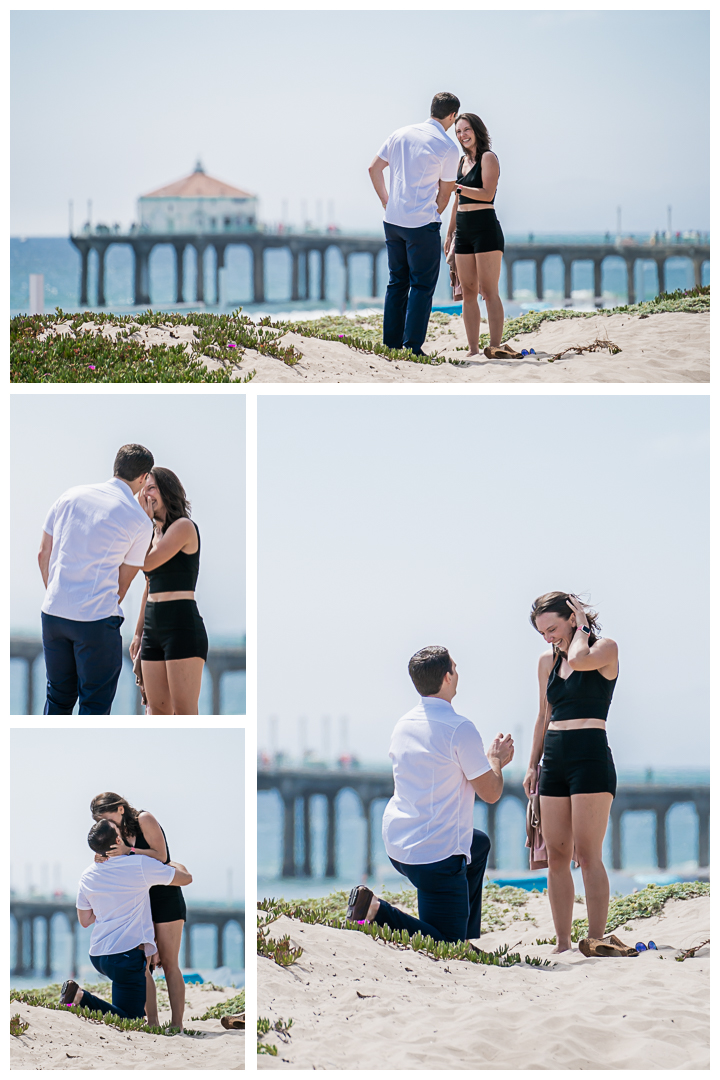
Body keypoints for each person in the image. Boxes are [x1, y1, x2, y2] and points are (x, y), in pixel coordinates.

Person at [346, 646, 514, 943]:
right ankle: (375, 911)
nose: (458, 672)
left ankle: (468, 935)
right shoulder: (459, 728)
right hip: (435, 855)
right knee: (446, 944)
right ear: (448, 677)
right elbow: (491, 793)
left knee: (479, 844)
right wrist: (496, 759)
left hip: (399, 842)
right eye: (456, 667)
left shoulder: (403, 724)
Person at [524, 593, 619, 954]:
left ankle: (596, 938)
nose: (548, 637)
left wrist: (581, 629)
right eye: (541, 632)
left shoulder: (603, 650)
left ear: (572, 618)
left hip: (590, 758)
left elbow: (580, 660)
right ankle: (563, 942)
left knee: (588, 853)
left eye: (553, 628)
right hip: (554, 760)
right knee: (559, 855)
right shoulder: (546, 662)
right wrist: (533, 764)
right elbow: (542, 717)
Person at [38, 444, 155, 715]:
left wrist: (61, 597)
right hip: (95, 620)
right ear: (143, 477)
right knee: (95, 705)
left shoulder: (69, 495)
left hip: (53, 613)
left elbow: (43, 553)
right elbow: (121, 585)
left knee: (57, 699)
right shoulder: (140, 520)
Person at [60, 818, 192, 1025]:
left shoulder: (87, 875)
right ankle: (79, 997)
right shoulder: (139, 864)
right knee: (132, 1020)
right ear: (119, 838)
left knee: (122, 1010)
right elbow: (185, 878)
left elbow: (85, 919)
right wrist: (166, 861)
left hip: (100, 956)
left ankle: (77, 999)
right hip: (126, 956)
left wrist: (108, 906)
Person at [369, 92, 461, 356]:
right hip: (422, 223)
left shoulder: (400, 134)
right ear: (452, 116)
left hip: (393, 221)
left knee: (397, 282)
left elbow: (373, 169)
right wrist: (434, 212)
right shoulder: (447, 147)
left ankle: (390, 344)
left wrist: (387, 202)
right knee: (421, 286)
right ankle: (412, 347)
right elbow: (446, 192)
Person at [90, 791, 188, 1029]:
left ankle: (176, 1024)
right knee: (142, 965)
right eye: (100, 821)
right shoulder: (114, 833)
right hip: (140, 901)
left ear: (121, 808)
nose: (106, 824)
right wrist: (102, 858)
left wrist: (129, 852)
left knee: (170, 962)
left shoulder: (144, 819)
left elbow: (161, 856)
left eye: (108, 818)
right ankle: (152, 1021)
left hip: (164, 896)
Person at [129, 468, 208, 715]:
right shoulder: (151, 534)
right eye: (143, 489)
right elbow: (148, 585)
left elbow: (147, 563)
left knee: (184, 712)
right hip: (153, 629)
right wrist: (138, 634)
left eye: (151, 487)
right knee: (155, 711)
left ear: (166, 490)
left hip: (181, 627)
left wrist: (141, 523)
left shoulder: (184, 527)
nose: (146, 494)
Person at [444, 113, 514, 360]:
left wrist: (459, 187)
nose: (462, 135)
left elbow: (486, 193)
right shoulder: (461, 161)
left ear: (477, 130)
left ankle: (495, 346)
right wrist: (450, 231)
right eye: (458, 132)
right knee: (469, 291)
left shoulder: (488, 158)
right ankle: (473, 349)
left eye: (466, 130)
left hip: (485, 229)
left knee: (488, 289)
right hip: (463, 231)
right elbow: (457, 199)